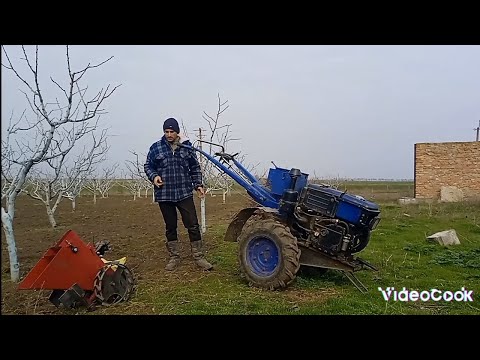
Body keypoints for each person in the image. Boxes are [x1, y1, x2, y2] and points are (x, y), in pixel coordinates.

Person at [144, 117, 213, 271]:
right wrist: (154, 176)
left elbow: (195, 168)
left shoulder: (186, 147)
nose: (169, 134)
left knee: (193, 224)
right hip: (165, 194)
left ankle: (199, 256)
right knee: (170, 226)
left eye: (172, 132)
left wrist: (198, 185)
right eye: (166, 131)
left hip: (184, 192)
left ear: (177, 132)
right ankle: (174, 256)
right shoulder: (156, 148)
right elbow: (148, 165)